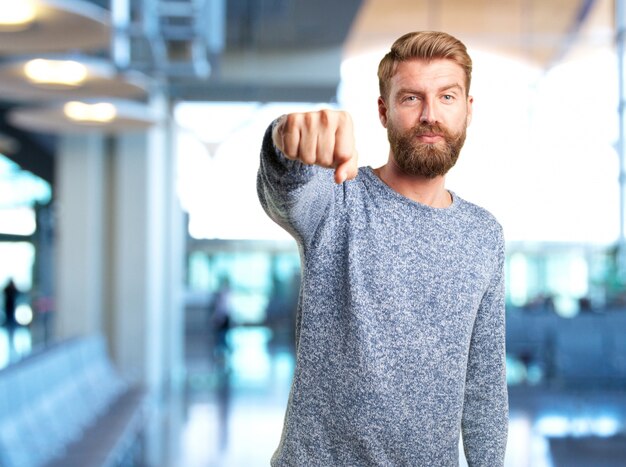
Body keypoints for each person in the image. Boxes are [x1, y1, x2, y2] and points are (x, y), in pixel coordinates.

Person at [257, 31, 508, 466]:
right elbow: (284, 188)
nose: (430, 115)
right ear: (383, 110)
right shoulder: (337, 199)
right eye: (411, 98)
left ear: (468, 110)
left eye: (447, 97)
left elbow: (484, 383)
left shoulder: (484, 234)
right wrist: (284, 140)